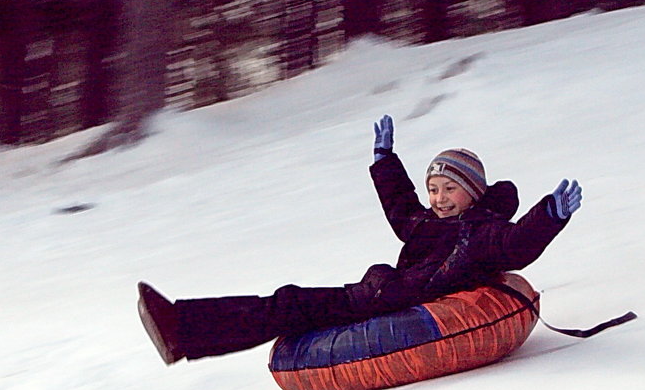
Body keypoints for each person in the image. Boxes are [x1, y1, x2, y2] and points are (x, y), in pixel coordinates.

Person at [137, 115, 582, 364]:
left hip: (395, 304)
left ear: (474, 191)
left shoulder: (481, 231)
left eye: (450, 189)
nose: (439, 199)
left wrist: (550, 215)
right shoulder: (428, 224)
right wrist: (385, 160)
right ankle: (182, 331)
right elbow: (401, 208)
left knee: (290, 303)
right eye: (434, 188)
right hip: (382, 294)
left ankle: (182, 330)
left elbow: (516, 246)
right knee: (288, 303)